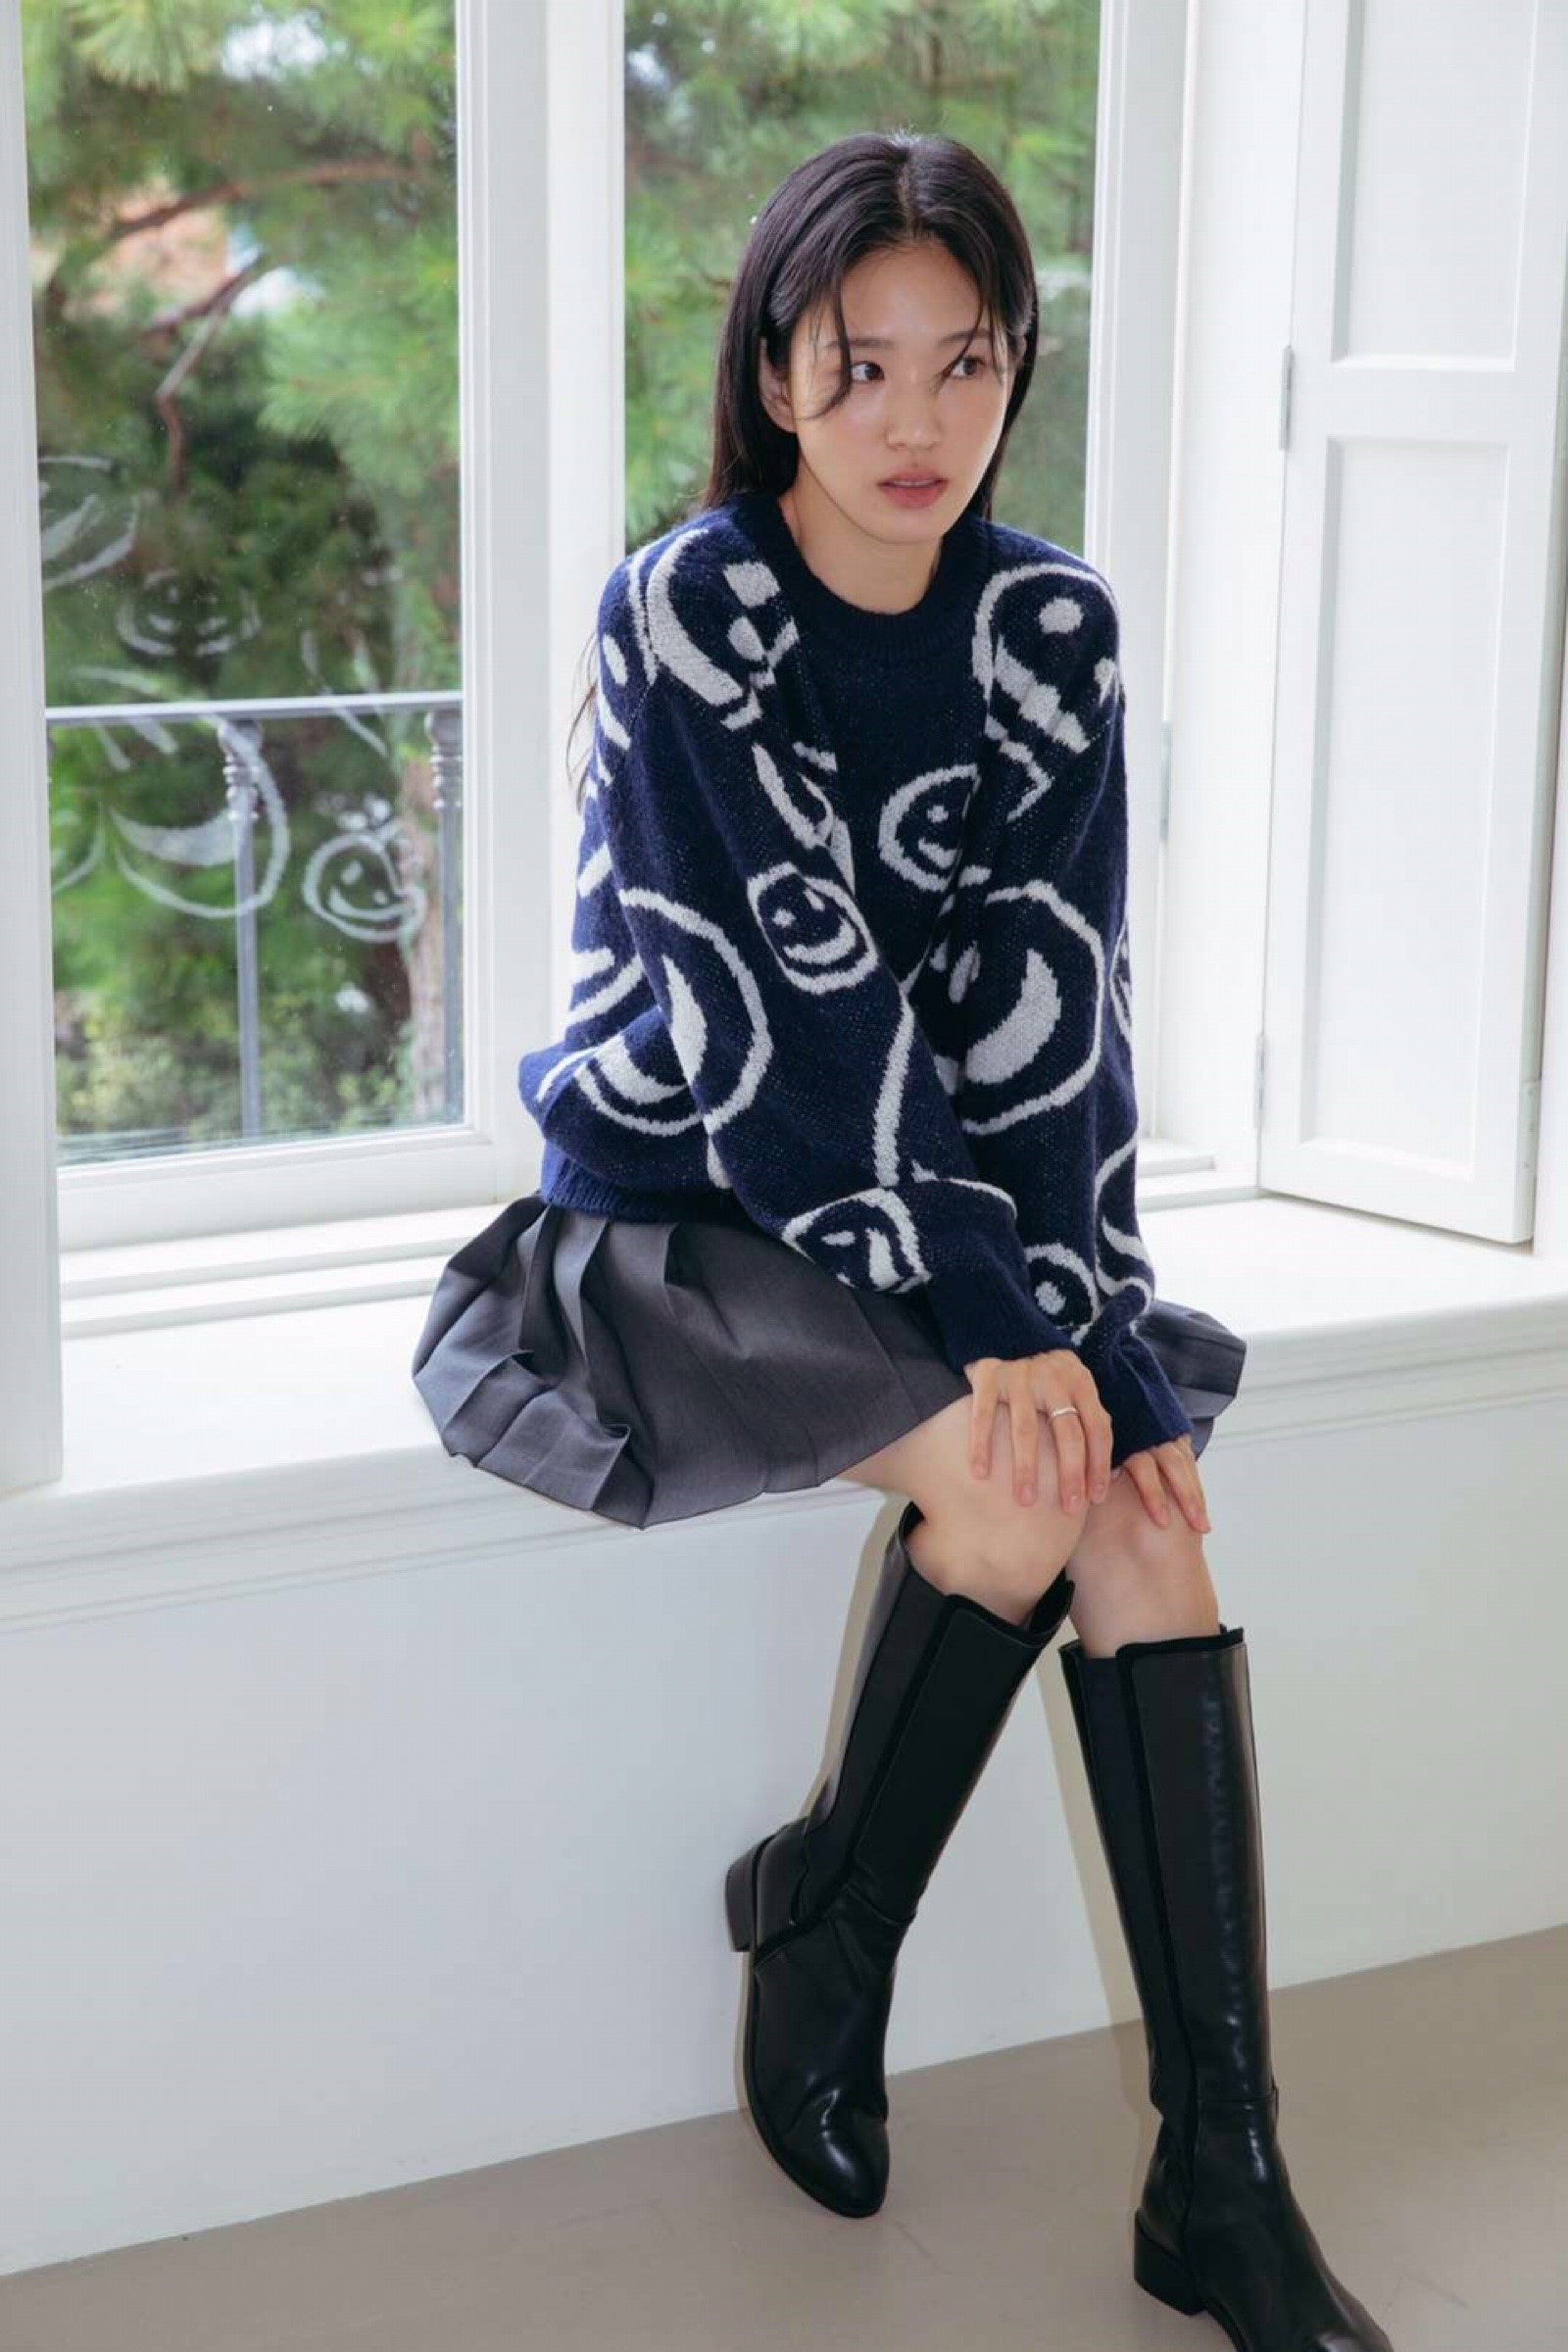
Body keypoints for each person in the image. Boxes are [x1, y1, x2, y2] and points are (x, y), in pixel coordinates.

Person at [412, 130, 1390, 2352]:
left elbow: (1057, 1019)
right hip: (692, 1208)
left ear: (1016, 368)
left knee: (1132, 1509)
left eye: (966, 364)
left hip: (929, 1219)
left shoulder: (1047, 629)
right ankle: (836, 1935)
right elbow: (791, 1010)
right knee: (1027, 1473)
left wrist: (1090, 1329)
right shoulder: (692, 606)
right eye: (860, 366)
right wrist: (997, 1323)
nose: (915, 421)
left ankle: (1220, 2172)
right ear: (776, 372)